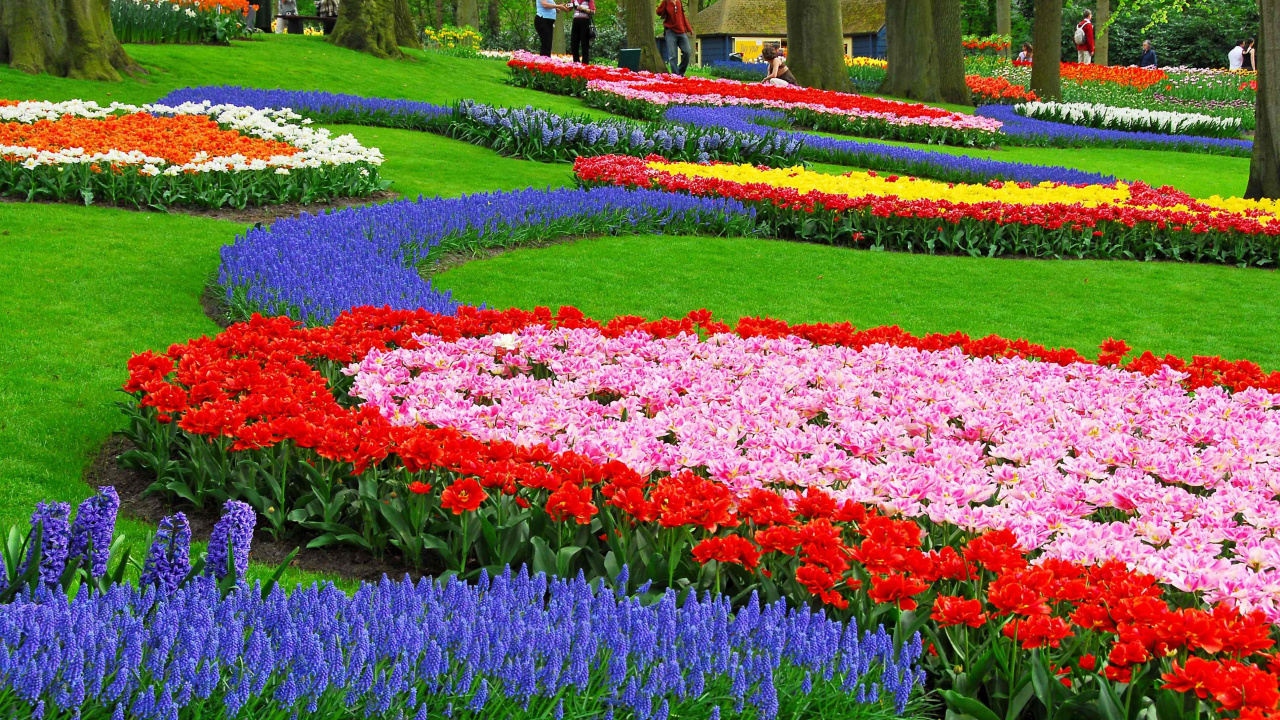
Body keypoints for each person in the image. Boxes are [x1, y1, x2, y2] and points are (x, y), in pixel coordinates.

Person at [656, 0, 693, 75]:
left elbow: (683, 16)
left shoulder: (679, 2)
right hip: (670, 32)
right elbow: (658, 12)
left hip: (681, 32)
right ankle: (675, 75)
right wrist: (663, 3)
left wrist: (689, 28)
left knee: (687, 52)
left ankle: (681, 72)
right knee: (672, 56)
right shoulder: (666, 2)